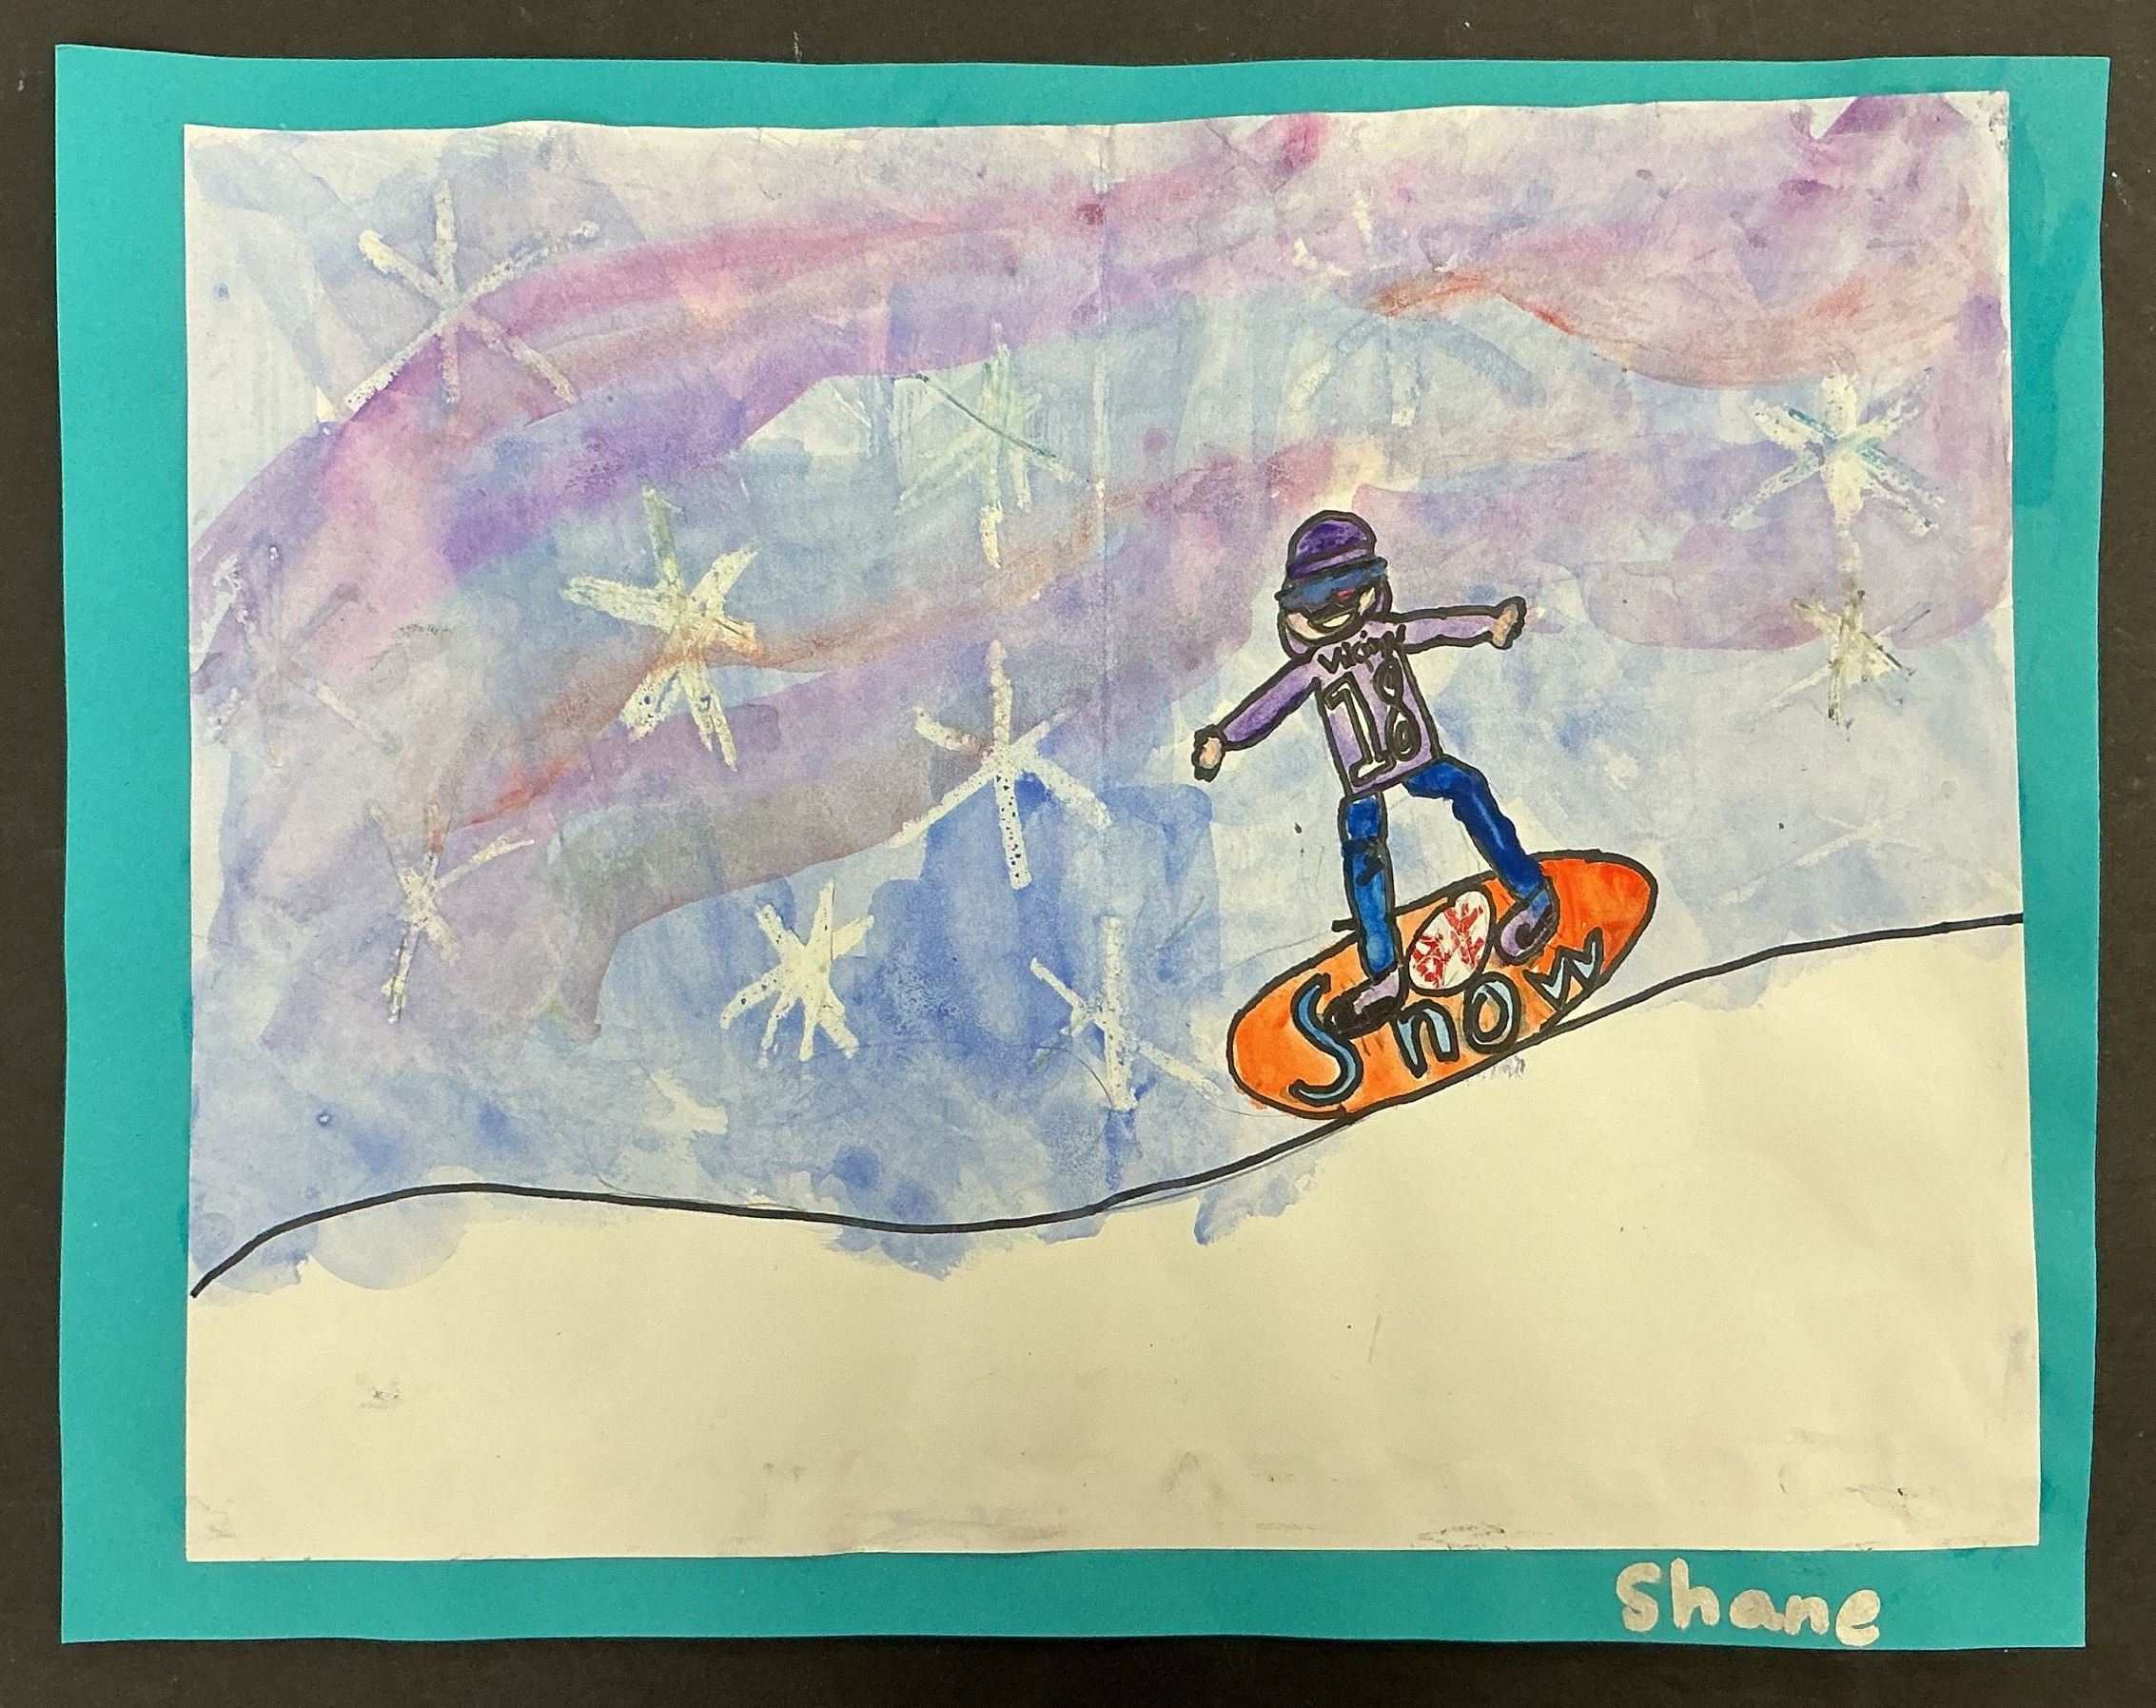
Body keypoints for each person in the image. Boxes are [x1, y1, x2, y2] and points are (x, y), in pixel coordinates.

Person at [1192, 509, 1558, 1036]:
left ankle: (1533, 895)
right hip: (1364, 780)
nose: (1333, 612)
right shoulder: (1315, 666)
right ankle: (1385, 974)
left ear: (1368, 589)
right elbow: (1271, 702)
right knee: (1363, 847)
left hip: (1417, 760)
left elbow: (1436, 627)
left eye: (1344, 596)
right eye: (1318, 603)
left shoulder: (1386, 632)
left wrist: (1489, 624)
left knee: (1465, 785)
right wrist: (1225, 737)